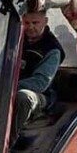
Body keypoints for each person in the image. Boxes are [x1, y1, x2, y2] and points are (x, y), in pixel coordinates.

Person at [13, 10, 66, 141]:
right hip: (11, 89)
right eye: (27, 23)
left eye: (35, 22)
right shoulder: (15, 40)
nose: (30, 27)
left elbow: (40, 83)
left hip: (41, 96)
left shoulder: (53, 49)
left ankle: (7, 145)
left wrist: (9, 87)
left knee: (24, 98)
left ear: (45, 21)